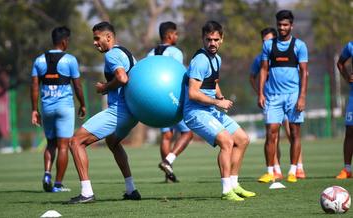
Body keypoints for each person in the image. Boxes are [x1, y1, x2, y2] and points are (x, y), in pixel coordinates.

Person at [66, 21, 141, 204]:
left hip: (118, 112)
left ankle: (86, 193)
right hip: (133, 114)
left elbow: (122, 78)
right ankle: (131, 189)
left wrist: (105, 87)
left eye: (97, 38)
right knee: (113, 143)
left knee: (76, 142)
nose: (95, 42)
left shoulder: (112, 55)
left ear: (109, 37)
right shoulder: (126, 53)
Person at [183, 20, 256, 201]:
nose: (212, 43)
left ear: (222, 39)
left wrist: (221, 98)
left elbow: (213, 83)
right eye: (209, 40)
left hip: (210, 108)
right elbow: (192, 93)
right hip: (195, 112)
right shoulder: (200, 60)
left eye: (216, 39)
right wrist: (217, 102)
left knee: (243, 139)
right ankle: (226, 191)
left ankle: (234, 184)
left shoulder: (217, 58)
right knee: (227, 141)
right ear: (203, 39)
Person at [31, 26, 86, 192]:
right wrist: (82, 104)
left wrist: (35, 110)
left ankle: (47, 173)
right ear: (64, 41)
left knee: (50, 144)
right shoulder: (70, 60)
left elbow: (34, 87)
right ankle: (58, 184)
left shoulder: (39, 60)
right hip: (64, 108)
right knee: (64, 146)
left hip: (46, 108)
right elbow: (77, 85)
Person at [258, 10, 308, 183]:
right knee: (271, 132)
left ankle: (293, 171)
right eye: (280, 24)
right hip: (273, 96)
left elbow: (304, 72)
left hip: (293, 96)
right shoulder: (268, 45)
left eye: (286, 24)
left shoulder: (299, 46)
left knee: (294, 133)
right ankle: (270, 171)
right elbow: (263, 70)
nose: (282, 27)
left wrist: (302, 97)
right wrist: (261, 93)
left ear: (291, 26)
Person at [147, 21, 193, 183]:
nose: (177, 37)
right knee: (187, 133)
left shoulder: (151, 53)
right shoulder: (175, 52)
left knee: (166, 135)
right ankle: (168, 161)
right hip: (173, 98)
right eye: (175, 34)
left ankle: (168, 174)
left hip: (155, 99)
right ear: (169, 35)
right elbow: (177, 74)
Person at [336, 41, 353, 179]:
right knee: (350, 130)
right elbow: (340, 63)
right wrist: (348, 77)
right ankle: (347, 169)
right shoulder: (350, 46)